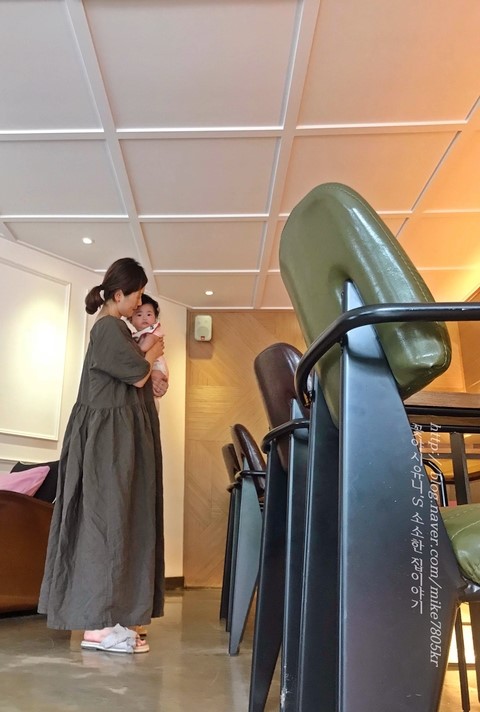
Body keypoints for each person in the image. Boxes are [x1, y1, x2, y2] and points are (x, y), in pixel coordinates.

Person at [38, 257, 165, 654]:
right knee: (106, 524)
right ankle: (98, 627)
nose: (140, 303)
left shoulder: (120, 330)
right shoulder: (108, 327)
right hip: (107, 444)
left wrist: (149, 361)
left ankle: (112, 618)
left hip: (117, 440)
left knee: (119, 523)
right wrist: (153, 353)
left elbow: (138, 379)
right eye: (137, 295)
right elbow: (138, 374)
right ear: (118, 293)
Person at [129, 294, 169, 411]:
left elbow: (144, 347)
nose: (144, 318)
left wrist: (135, 349)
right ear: (131, 320)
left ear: (155, 318)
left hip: (157, 367)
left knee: (154, 384)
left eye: (149, 314)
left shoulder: (154, 331)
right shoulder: (135, 335)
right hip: (149, 368)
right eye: (139, 315)